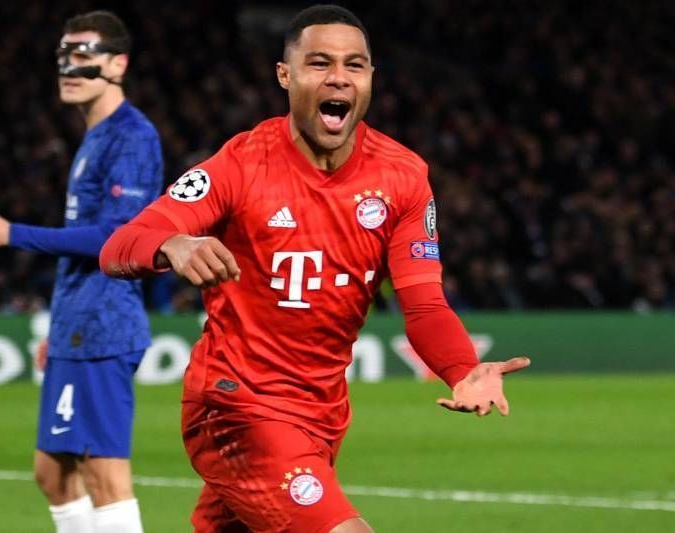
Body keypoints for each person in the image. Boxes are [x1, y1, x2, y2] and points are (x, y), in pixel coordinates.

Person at [100, 5, 530, 532]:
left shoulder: (403, 178)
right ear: (285, 75)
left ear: (371, 78)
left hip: (322, 415)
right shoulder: (240, 165)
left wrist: (463, 368)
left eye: (355, 65)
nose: (338, 78)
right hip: (238, 407)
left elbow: (424, 303)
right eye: (319, 63)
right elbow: (119, 246)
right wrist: (172, 244)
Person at [0, 10, 162, 533]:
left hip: (106, 322)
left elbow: (117, 237)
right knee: (52, 472)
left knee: (104, 474)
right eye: (64, 56)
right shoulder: (93, 137)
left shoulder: (132, 137)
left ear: (119, 64)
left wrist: (12, 234)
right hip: (77, 323)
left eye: (84, 55)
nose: (70, 67)